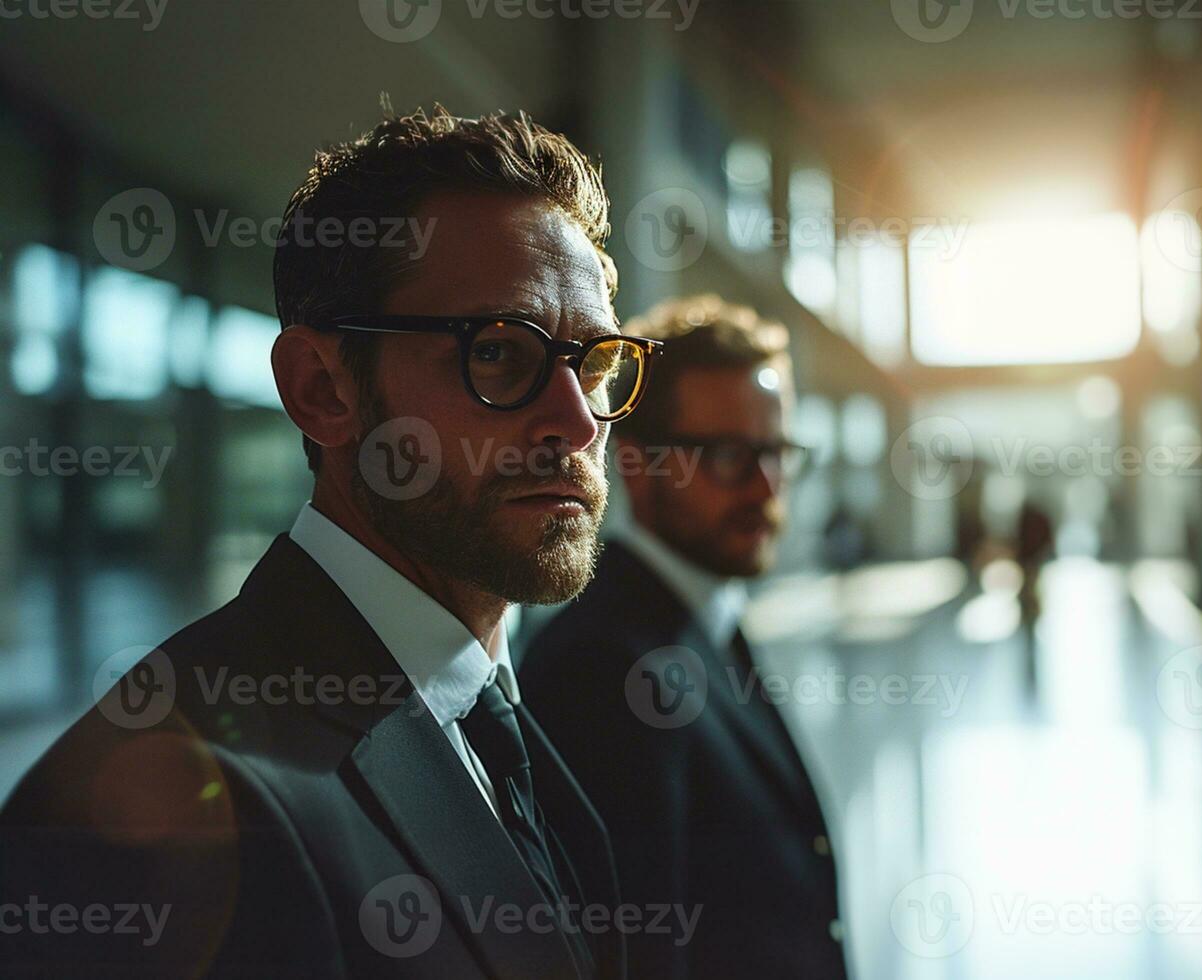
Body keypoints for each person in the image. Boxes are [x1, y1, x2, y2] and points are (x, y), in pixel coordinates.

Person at [0, 104, 664, 978]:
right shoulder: (143, 811)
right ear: (320, 389)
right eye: (500, 355)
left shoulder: (494, 716)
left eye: (595, 365)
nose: (576, 423)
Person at [520, 295, 848, 979]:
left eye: (776, 452)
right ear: (637, 466)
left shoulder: (702, 616)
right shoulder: (602, 668)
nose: (765, 487)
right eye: (730, 455)